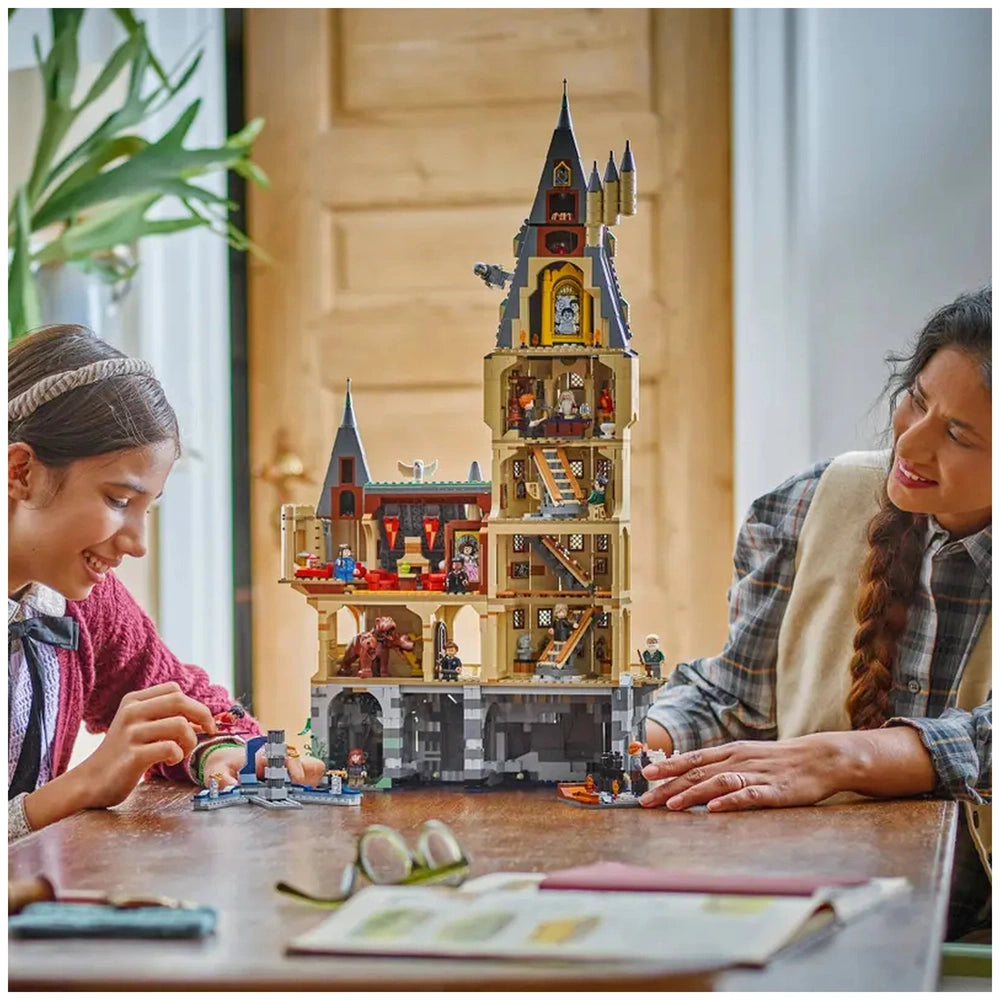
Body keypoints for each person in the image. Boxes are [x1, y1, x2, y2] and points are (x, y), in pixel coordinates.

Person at [640, 289, 991, 939]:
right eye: (916, 400)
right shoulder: (810, 505)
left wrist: (845, 759)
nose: (910, 446)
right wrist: (642, 743)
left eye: (958, 434)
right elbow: (736, 700)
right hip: (821, 908)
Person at [8, 325, 326, 842]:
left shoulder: (78, 605)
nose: (137, 544)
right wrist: (78, 788)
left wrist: (219, 751)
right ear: (21, 472)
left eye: (147, 509)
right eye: (117, 500)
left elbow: (192, 701)